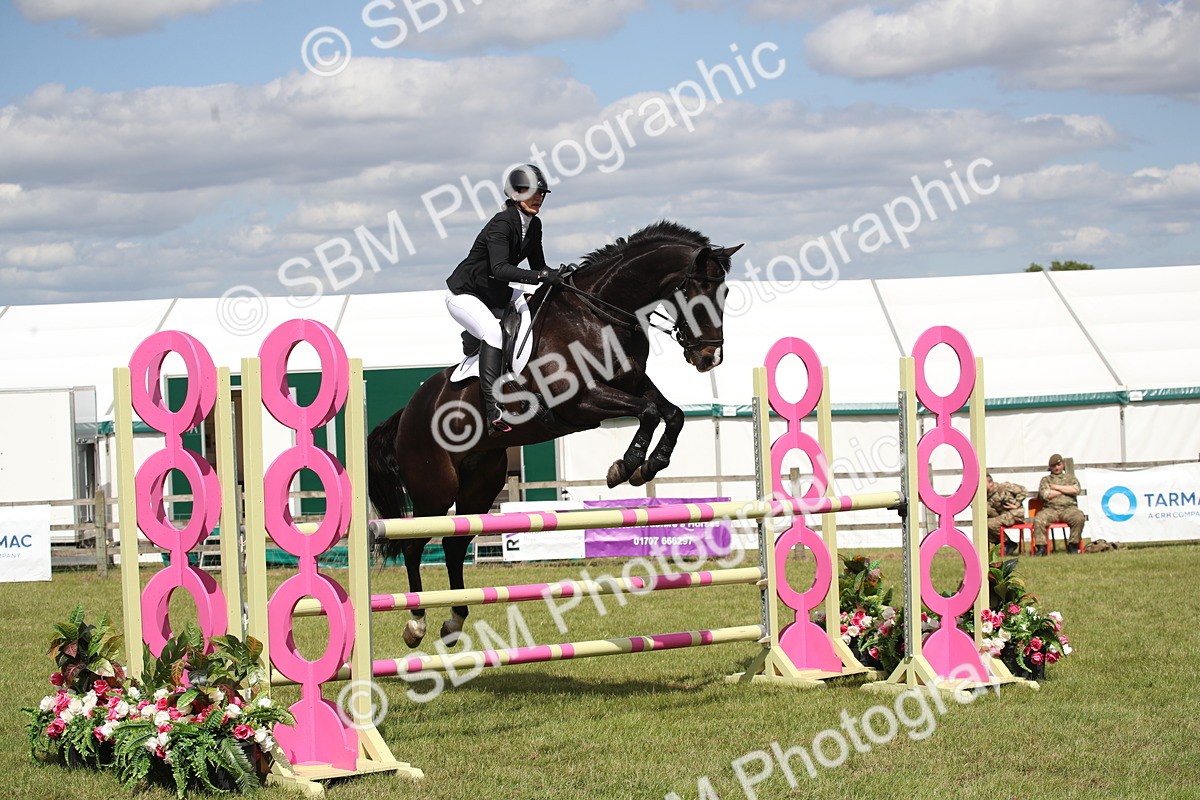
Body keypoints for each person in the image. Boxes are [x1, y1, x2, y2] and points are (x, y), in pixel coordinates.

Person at [445, 164, 563, 435]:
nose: (538, 199)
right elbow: (500, 269)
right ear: (516, 193)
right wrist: (543, 275)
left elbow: (538, 266)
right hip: (466, 294)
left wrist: (556, 277)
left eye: (542, 194)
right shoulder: (502, 223)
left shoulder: (534, 225)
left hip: (497, 292)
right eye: (533, 193)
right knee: (493, 334)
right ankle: (492, 409)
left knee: (536, 307)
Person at [1034, 453, 1086, 555]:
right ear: (1050, 467)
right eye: (1054, 466)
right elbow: (1046, 494)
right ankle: (1041, 548)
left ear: (1062, 465)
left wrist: (1056, 487)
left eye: (1059, 465)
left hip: (1069, 508)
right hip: (1051, 509)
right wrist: (1066, 490)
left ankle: (1073, 545)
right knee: (1039, 519)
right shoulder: (1046, 480)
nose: (1057, 468)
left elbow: (1076, 490)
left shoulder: (1070, 478)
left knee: (1079, 518)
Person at [986, 473, 1027, 555]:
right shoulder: (987, 496)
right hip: (1003, 516)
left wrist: (1017, 503)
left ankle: (1007, 543)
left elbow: (1023, 490)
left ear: (990, 483)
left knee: (989, 524)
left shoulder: (1004, 487)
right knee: (985, 525)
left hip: (1015, 514)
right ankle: (1005, 544)